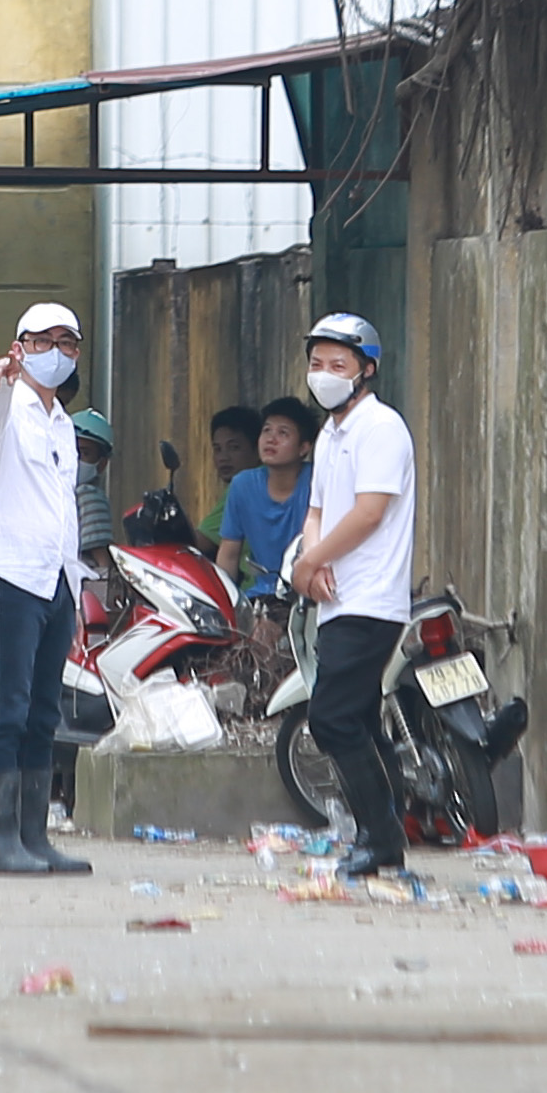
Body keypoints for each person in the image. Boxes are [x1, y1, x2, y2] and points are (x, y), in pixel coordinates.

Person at [0, 301, 96, 878]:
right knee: (8, 710)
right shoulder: (5, 408)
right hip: (11, 575)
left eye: (68, 344)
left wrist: (74, 579)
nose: (57, 353)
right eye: (44, 341)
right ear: (20, 345)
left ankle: (33, 837)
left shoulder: (63, 424)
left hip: (55, 580)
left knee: (44, 713)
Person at [287, 313, 415, 878]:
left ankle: (381, 836)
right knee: (359, 719)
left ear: (367, 370)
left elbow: (369, 512)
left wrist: (312, 560)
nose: (324, 374)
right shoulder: (332, 433)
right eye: (317, 364)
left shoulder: (380, 428)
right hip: (336, 596)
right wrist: (310, 563)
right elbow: (317, 510)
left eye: (338, 364)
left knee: (332, 718)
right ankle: (379, 835)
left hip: (371, 597)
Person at [214, 395, 315, 601]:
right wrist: (224, 603)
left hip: (308, 593)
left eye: (283, 433)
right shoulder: (242, 485)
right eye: (266, 430)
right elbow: (229, 554)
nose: (271, 439)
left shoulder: (317, 482)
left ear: (303, 447)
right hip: (262, 595)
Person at [195, 405, 262, 545]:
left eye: (234, 448)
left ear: (257, 449)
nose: (223, 458)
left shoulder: (245, 484)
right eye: (217, 449)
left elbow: (199, 542)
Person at [72, 407, 118, 569]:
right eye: (73, 450)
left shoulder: (87, 495)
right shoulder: (81, 495)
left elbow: (100, 554)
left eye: (85, 453)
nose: (76, 458)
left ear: (101, 463)